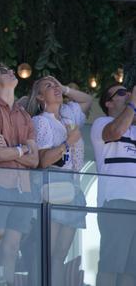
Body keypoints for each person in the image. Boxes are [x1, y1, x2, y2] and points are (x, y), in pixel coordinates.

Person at [0, 63, 39, 285]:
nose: (11, 72)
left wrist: (12, 150)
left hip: (22, 188)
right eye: (4, 72)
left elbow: (35, 159)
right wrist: (21, 149)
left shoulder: (25, 116)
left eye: (11, 70)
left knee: (12, 248)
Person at [25, 75, 92, 285]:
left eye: (56, 85)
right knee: (47, 252)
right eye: (48, 86)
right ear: (39, 97)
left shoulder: (68, 116)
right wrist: (66, 142)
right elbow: (43, 160)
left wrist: (64, 88)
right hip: (53, 183)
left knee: (61, 255)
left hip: (73, 185)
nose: (55, 89)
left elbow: (87, 100)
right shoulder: (41, 121)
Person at [92, 84, 136, 286]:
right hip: (117, 202)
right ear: (108, 103)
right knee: (111, 265)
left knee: (131, 271)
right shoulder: (102, 123)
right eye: (121, 93)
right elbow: (117, 130)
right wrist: (133, 103)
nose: (127, 94)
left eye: (129, 91)